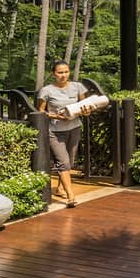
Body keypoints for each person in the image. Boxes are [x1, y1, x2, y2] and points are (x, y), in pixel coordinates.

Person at [37, 60, 89, 207]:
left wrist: (86, 111)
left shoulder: (78, 87)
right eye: (60, 72)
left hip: (74, 128)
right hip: (55, 131)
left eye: (66, 72)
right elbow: (40, 111)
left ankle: (60, 188)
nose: (63, 75)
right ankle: (70, 196)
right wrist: (55, 116)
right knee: (63, 162)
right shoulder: (46, 90)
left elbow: (84, 107)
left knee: (70, 161)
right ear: (54, 74)